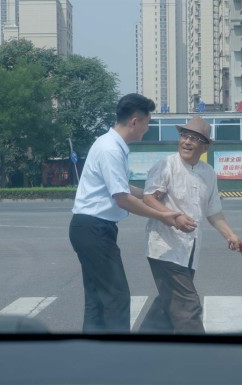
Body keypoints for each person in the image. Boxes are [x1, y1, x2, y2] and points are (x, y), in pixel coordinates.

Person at [69, 93, 183, 333]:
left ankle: (94, 357)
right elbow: (122, 199)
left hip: (89, 228)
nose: (147, 129)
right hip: (94, 229)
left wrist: (146, 194)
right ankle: (119, 357)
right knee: (117, 297)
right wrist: (162, 215)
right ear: (134, 121)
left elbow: (120, 187)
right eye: (147, 123)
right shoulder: (111, 149)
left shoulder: (109, 144)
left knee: (97, 299)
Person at [140, 116, 242, 334]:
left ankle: (142, 353)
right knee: (187, 307)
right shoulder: (166, 165)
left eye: (194, 138)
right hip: (165, 249)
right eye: (184, 136)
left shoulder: (208, 173)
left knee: (167, 306)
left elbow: (213, 211)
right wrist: (174, 217)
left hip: (189, 251)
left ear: (204, 147)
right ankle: (201, 360)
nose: (186, 142)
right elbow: (149, 198)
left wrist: (230, 235)